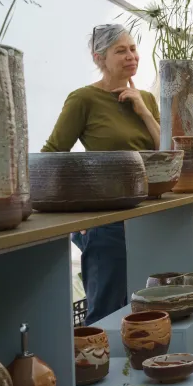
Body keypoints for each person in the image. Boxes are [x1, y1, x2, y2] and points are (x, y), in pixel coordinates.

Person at [43, 24, 161, 324]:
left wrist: (143, 111)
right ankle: (97, 368)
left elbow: (166, 153)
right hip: (107, 223)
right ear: (99, 58)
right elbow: (53, 155)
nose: (130, 56)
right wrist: (71, 212)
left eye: (132, 48)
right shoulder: (84, 99)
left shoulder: (146, 98)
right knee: (106, 312)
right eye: (120, 51)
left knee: (147, 309)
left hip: (150, 216)